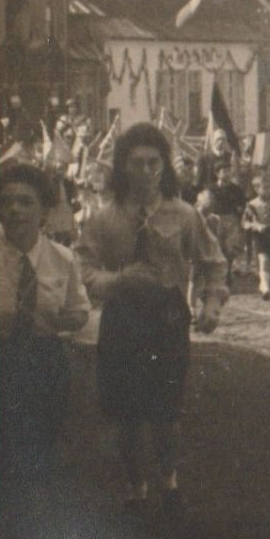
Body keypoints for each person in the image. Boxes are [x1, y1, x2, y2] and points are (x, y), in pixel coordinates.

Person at [76, 123, 226, 517]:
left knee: (166, 410)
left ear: (164, 167)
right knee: (127, 413)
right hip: (123, 317)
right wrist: (116, 279)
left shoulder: (184, 215)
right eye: (136, 162)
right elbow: (84, 268)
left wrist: (211, 305)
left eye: (153, 163)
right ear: (122, 167)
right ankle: (136, 488)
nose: (145, 171)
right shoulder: (104, 218)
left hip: (168, 319)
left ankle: (170, 482)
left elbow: (212, 262)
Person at [0, 163, 90, 539]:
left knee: (41, 447)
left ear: (44, 211)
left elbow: (79, 309)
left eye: (25, 202)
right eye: (6, 202)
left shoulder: (63, 259)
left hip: (45, 362)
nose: (15, 210)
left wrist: (68, 317)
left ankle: (36, 538)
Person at [242, 172, 270, 300]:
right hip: (259, 236)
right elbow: (245, 222)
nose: (267, 191)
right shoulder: (252, 205)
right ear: (256, 189)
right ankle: (266, 287)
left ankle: (265, 282)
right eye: (264, 188)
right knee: (263, 260)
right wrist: (256, 226)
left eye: (269, 188)